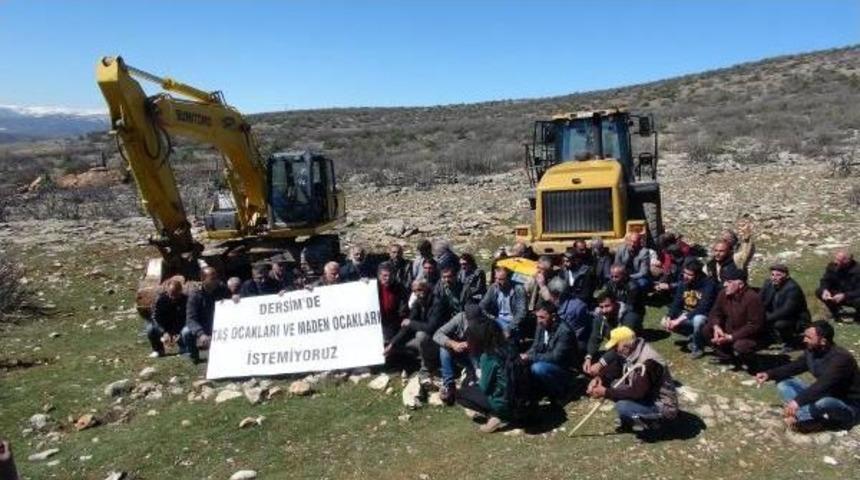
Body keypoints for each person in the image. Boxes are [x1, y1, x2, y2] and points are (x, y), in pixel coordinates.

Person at [756, 321, 860, 432]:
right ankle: (807, 415)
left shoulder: (841, 359)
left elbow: (823, 385)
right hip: (824, 394)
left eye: (809, 337)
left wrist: (797, 402)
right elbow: (795, 367)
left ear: (823, 341)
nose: (804, 339)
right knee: (784, 383)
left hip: (847, 405)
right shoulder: (812, 352)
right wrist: (769, 374)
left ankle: (803, 417)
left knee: (824, 403)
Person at [587, 326, 679, 433]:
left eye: (616, 346)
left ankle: (656, 425)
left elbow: (637, 392)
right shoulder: (629, 352)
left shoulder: (649, 362)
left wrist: (605, 392)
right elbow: (616, 371)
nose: (614, 350)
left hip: (662, 406)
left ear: (626, 345)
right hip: (647, 395)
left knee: (623, 406)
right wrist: (600, 379)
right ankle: (635, 418)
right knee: (615, 387)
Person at [456, 315, 514, 433]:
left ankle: (495, 415)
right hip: (518, 397)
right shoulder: (509, 347)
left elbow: (484, 388)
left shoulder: (488, 357)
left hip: (504, 402)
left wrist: (478, 379)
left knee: (461, 394)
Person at [702, 268, 765, 369]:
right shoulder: (724, 293)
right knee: (706, 329)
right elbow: (715, 312)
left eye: (729, 282)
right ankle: (728, 357)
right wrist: (716, 326)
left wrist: (731, 337)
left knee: (741, 346)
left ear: (740, 284)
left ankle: (753, 363)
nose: (725, 285)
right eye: (725, 281)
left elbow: (755, 325)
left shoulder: (752, 298)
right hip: (729, 329)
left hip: (749, 335)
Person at [519, 301, 577, 404]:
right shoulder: (541, 326)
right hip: (546, 362)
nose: (538, 321)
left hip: (563, 369)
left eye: (542, 317)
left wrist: (530, 357)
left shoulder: (564, 332)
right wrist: (525, 356)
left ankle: (563, 392)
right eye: (537, 317)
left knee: (538, 368)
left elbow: (555, 357)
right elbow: (536, 346)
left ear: (553, 316)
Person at [662, 259, 718, 359]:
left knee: (698, 320)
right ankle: (695, 336)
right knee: (664, 322)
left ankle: (698, 347)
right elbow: (676, 302)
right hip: (686, 313)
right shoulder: (684, 283)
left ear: (698, 275)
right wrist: (669, 316)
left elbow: (702, 308)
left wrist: (679, 320)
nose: (686, 276)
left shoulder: (709, 285)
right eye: (685, 273)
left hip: (703, 316)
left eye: (690, 275)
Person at [386, 279, 441, 382]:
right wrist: (392, 343)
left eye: (420, 290)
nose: (417, 293)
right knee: (400, 344)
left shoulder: (437, 303)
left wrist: (411, 323)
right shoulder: (417, 303)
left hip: (438, 342)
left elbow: (430, 328)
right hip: (427, 341)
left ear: (426, 288)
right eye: (415, 291)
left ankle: (427, 368)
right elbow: (407, 324)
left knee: (421, 336)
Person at [584, 291, 642, 377]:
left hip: (633, 352)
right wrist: (589, 357)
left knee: (606, 370)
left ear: (616, 303)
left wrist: (601, 363)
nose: (604, 310)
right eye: (601, 307)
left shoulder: (630, 317)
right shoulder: (601, 317)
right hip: (614, 350)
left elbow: (623, 344)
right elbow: (595, 338)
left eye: (607, 306)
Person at [434, 303, 482, 405]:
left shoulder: (487, 323)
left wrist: (473, 344)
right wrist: (453, 344)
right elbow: (437, 335)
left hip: (478, 355)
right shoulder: (459, 318)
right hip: (461, 352)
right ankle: (449, 385)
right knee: (444, 348)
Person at [181, 267, 229, 364]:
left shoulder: (223, 289)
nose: (216, 281)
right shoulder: (195, 295)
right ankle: (194, 356)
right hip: (202, 326)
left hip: (219, 325)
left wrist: (235, 298)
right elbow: (191, 319)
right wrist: (201, 334)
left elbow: (232, 303)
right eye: (212, 279)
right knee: (186, 332)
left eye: (216, 278)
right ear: (203, 280)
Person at [760, 263, 811, 352]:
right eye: (772, 275)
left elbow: (787, 310)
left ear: (786, 276)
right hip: (775, 313)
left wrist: (766, 318)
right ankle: (770, 338)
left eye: (778, 275)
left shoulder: (793, 288)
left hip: (794, 318)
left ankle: (791, 343)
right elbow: (759, 299)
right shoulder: (768, 283)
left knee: (780, 324)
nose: (774, 277)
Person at [479, 266, 527, 342]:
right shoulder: (493, 287)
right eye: (496, 278)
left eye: (501, 279)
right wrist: (490, 317)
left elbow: (521, 312)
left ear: (508, 278)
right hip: (497, 319)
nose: (497, 281)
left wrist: (509, 327)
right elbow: (482, 305)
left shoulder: (518, 289)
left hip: (512, 321)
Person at [546, 276, 591, 355]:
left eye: (551, 294)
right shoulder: (562, 302)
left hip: (575, 343)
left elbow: (568, 333)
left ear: (557, 295)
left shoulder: (575, 308)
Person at [146, 278, 187, 358]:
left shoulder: (186, 300)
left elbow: (188, 318)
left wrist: (176, 332)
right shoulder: (160, 300)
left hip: (179, 326)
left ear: (180, 291)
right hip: (164, 326)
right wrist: (164, 332)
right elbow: (154, 318)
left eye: (176, 294)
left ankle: (184, 347)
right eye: (171, 294)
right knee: (150, 328)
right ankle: (158, 350)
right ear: (167, 291)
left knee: (186, 329)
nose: (173, 297)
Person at [816, 250, 860, 322]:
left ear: (847, 261)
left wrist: (845, 295)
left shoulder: (857, 270)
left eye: (839, 260)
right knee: (819, 291)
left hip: (852, 296)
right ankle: (836, 312)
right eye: (836, 259)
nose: (836, 262)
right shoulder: (832, 266)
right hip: (837, 295)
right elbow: (825, 280)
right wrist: (825, 289)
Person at [377, 262, 409, 344]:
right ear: (379, 276)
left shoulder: (400, 288)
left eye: (390, 276)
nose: (387, 278)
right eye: (384, 276)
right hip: (376, 322)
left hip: (392, 322)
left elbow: (403, 310)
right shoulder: (373, 286)